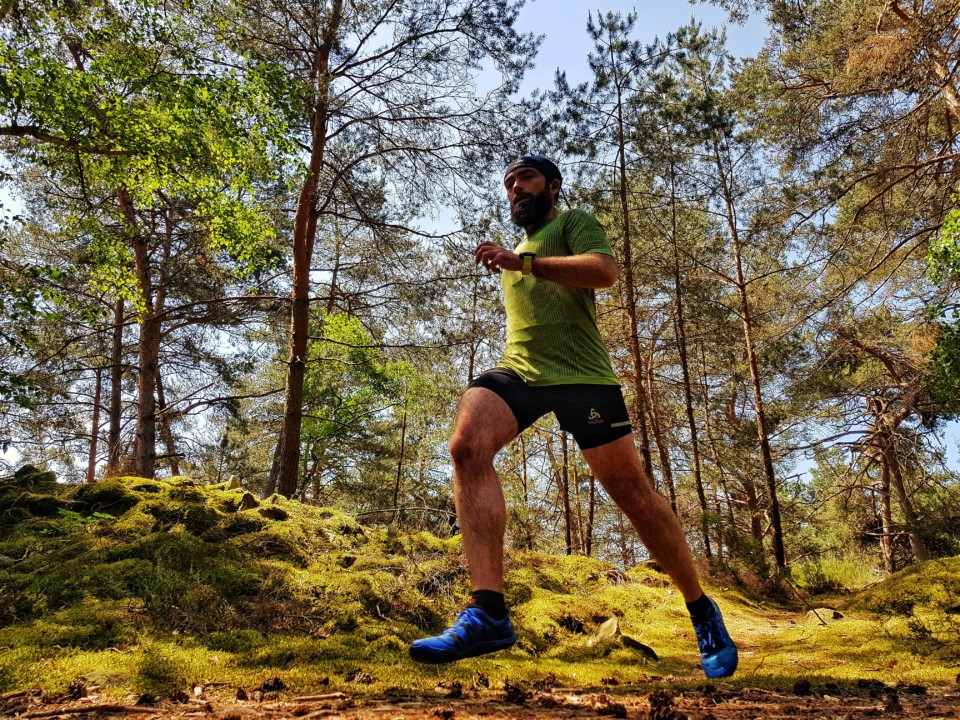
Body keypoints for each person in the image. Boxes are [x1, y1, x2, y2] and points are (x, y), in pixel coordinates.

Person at [409, 155, 738, 679]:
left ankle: (700, 608)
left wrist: (527, 264)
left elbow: (604, 273)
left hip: (583, 378)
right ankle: (488, 613)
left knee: (633, 495)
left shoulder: (571, 224)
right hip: (521, 370)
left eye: (527, 178)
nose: (516, 187)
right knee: (465, 446)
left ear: (553, 186)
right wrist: (519, 261)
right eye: (509, 181)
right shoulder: (514, 249)